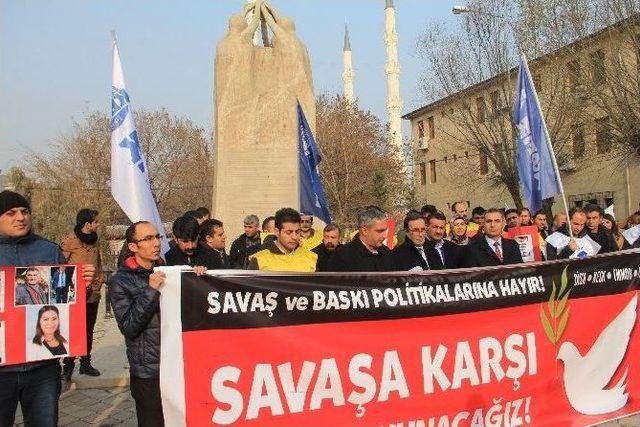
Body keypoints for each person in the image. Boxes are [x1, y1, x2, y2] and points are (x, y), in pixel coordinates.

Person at [0, 190, 95, 427]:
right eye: (11, 213)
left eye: (24, 211)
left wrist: (82, 284)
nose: (20, 217)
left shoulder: (48, 250)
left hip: (42, 367)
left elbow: (65, 300)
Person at [108, 221, 166, 427]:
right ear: (133, 247)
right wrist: (151, 291)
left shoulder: (168, 272)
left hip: (174, 365)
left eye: (157, 237)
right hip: (148, 371)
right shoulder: (120, 281)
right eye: (148, 239)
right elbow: (129, 327)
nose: (156, 243)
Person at [60, 208, 104, 381]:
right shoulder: (69, 241)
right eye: (96, 222)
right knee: (72, 330)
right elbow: (60, 266)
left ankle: (86, 363)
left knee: (88, 329)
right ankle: (68, 366)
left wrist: (99, 282)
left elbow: (98, 263)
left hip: (92, 293)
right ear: (87, 224)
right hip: (74, 295)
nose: (98, 224)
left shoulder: (95, 241)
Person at [328, 206, 396, 272]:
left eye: (385, 230)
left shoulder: (387, 253)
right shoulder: (342, 256)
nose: (384, 236)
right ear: (364, 230)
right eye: (380, 231)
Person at [248, 208, 317, 272]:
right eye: (289, 232)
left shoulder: (312, 257)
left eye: (297, 232)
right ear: (277, 232)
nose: (294, 237)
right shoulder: (258, 259)